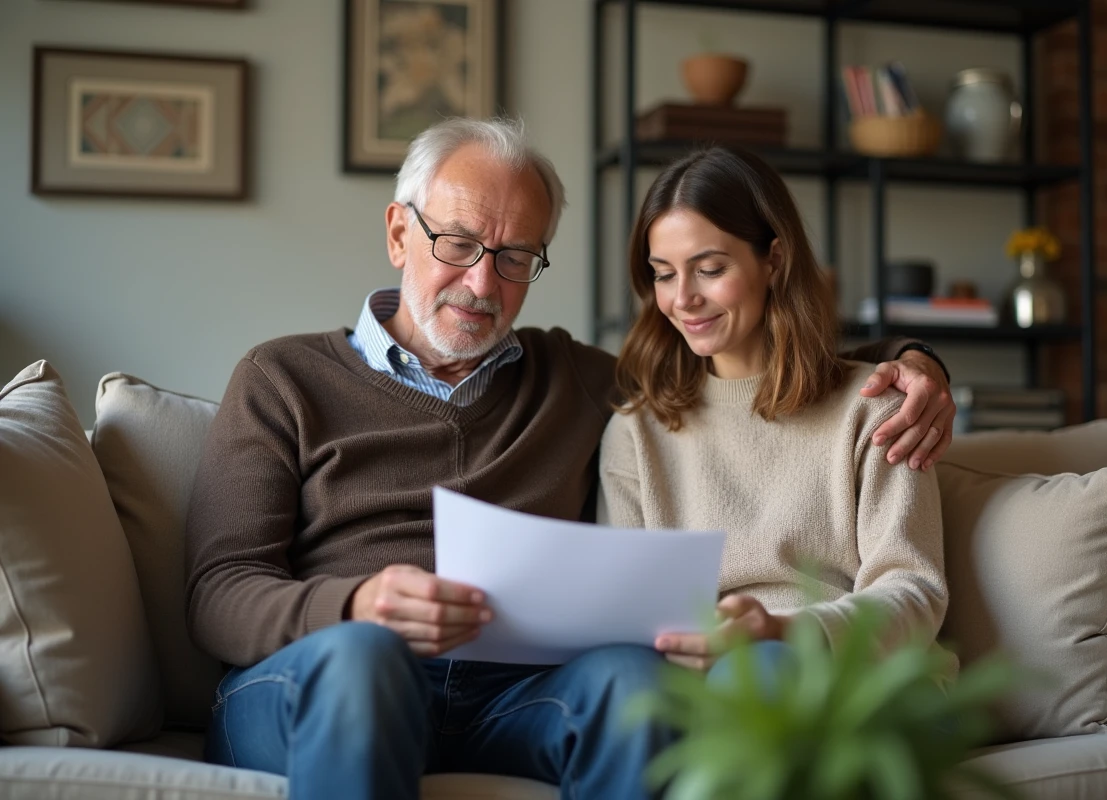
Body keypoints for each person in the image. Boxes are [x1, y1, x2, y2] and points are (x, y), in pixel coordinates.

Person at [184, 118, 956, 800]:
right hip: (330, 676)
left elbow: (747, 365)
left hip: (512, 697)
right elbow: (218, 593)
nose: (483, 281)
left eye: (516, 256)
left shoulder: (582, 382)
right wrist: (351, 607)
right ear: (397, 234)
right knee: (363, 661)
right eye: (457, 243)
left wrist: (914, 363)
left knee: (631, 683)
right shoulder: (281, 378)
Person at [599, 145, 951, 678]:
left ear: (775, 260)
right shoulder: (635, 434)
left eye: (710, 269)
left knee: (764, 672)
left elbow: (914, 593)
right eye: (663, 274)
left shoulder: (877, 408)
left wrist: (784, 631)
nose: (683, 298)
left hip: (858, 681)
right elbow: (627, 613)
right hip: (709, 691)